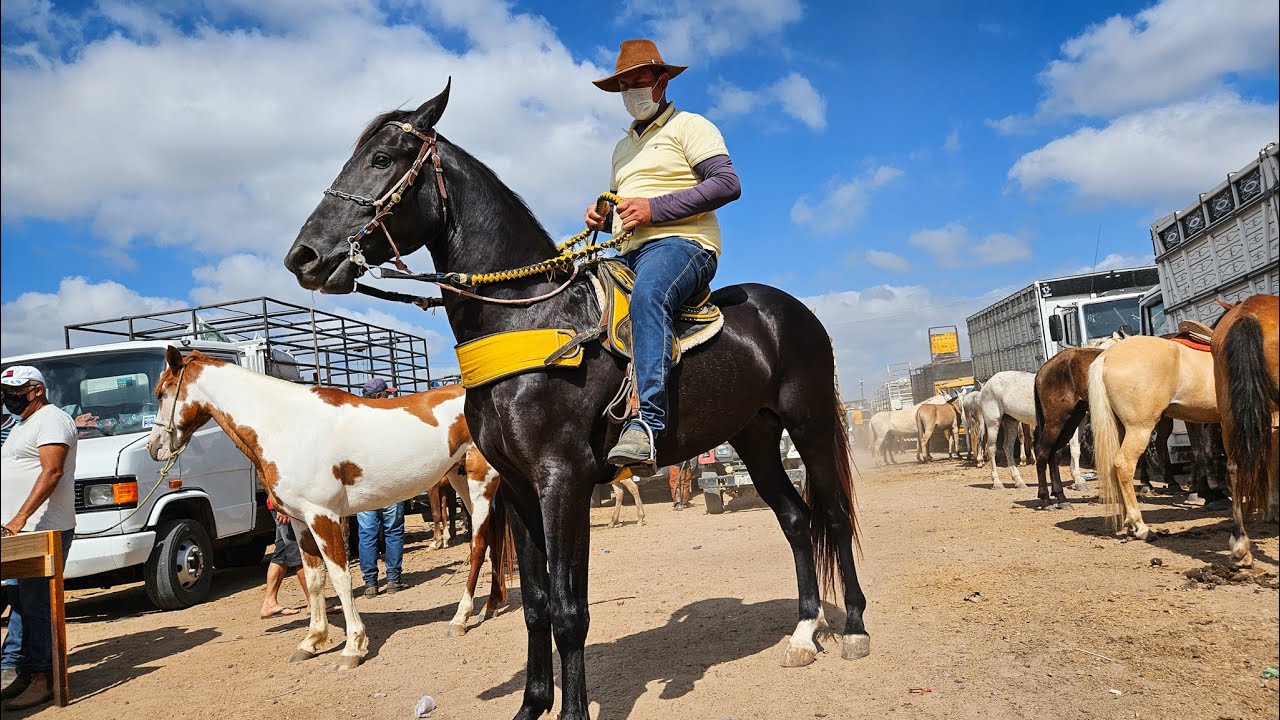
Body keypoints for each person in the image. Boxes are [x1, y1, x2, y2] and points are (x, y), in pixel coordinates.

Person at [586, 39, 741, 467]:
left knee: (648, 295)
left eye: (639, 82)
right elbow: (624, 205)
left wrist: (654, 209)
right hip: (628, 249)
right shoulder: (622, 149)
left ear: (663, 80)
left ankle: (648, 424)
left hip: (685, 244)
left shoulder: (691, 126)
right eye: (625, 86)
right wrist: (604, 216)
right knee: (577, 296)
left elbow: (727, 183)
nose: (632, 92)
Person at [0, 366, 78, 711]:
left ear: (37, 390)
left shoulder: (52, 420)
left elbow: (52, 471)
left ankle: (44, 679)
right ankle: (21, 670)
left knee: (38, 607)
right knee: (20, 599)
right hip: (20, 529)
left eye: (15, 391)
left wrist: (20, 517)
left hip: (43, 528)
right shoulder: (23, 424)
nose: (8, 397)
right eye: (5, 391)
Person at [356, 378, 406, 598]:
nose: (389, 397)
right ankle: (394, 579)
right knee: (393, 530)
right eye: (386, 394)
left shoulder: (355, 420)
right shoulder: (390, 420)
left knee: (367, 533)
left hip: (364, 486)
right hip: (389, 482)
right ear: (378, 397)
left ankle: (370, 584)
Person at [259, 499, 310, 619]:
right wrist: (282, 506)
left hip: (284, 505)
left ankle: (269, 604)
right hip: (284, 505)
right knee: (300, 553)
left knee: (281, 554)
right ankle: (315, 603)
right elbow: (272, 482)